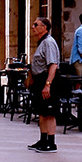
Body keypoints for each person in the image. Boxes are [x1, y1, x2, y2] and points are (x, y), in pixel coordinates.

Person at [28, 17, 60, 154]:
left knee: (49, 112)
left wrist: (48, 84)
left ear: (44, 28)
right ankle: (43, 139)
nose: (33, 27)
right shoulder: (42, 42)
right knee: (42, 111)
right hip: (40, 80)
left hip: (46, 79)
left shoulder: (49, 43)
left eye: (36, 25)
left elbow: (53, 64)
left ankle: (51, 142)